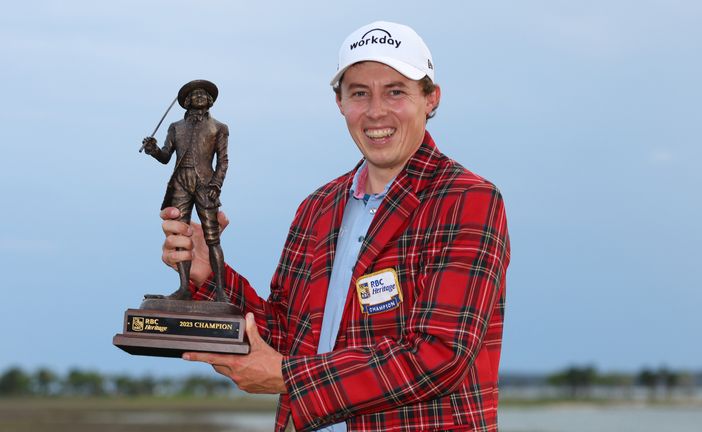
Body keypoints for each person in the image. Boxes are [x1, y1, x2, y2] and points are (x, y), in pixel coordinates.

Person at [159, 21, 510, 431]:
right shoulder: (318, 207)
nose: (376, 110)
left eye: (395, 91)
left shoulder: (467, 199)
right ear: (340, 102)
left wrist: (288, 377)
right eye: (359, 92)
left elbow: (440, 355)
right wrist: (207, 274)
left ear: (430, 99)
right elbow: (288, 337)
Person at [143, 80, 229, 302]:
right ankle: (184, 288)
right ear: (187, 102)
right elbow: (165, 156)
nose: (200, 97)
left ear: (210, 101)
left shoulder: (219, 128)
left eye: (204, 94)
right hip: (181, 182)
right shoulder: (175, 127)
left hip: (205, 185)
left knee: (212, 238)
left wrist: (216, 185)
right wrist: (153, 150)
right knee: (180, 235)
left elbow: (223, 161)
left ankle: (220, 291)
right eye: (195, 94)